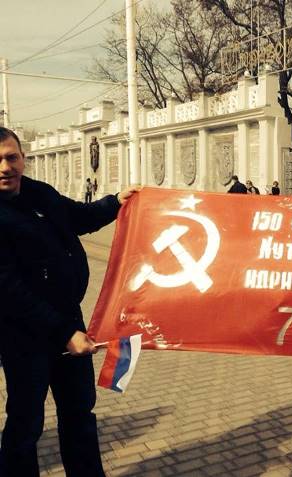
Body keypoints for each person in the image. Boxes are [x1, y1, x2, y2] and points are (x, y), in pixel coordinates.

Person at [0, 127, 139, 477]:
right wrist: (65, 333)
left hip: (68, 321)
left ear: (23, 159)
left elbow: (77, 216)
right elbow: (9, 291)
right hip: (23, 336)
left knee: (79, 414)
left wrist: (116, 202)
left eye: (11, 157)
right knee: (26, 423)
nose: (5, 167)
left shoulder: (40, 193)